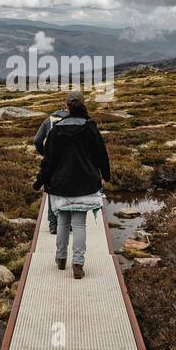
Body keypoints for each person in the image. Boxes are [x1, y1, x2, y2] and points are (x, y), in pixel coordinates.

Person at [32, 90, 110, 280]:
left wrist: (39, 182)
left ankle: (60, 258)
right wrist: (106, 176)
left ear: (67, 106)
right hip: (85, 183)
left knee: (62, 222)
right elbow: (101, 154)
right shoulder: (90, 127)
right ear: (83, 104)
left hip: (60, 184)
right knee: (80, 224)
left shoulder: (57, 129)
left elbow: (49, 161)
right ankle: (78, 264)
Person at [32, 103, 71, 233]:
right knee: (69, 191)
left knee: (52, 191)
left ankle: (53, 225)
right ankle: (66, 223)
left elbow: (37, 139)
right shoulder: (74, 120)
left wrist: (43, 152)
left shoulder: (48, 120)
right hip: (69, 160)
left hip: (51, 158)